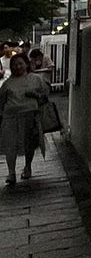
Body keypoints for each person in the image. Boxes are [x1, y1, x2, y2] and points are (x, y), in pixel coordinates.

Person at [0, 53, 50, 186]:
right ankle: (11, 173)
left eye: (20, 63)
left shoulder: (36, 79)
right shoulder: (7, 84)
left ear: (26, 64)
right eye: (14, 65)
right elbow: (1, 101)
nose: (17, 67)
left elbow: (45, 98)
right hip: (10, 117)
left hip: (30, 116)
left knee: (29, 144)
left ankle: (27, 167)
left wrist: (36, 95)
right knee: (10, 145)